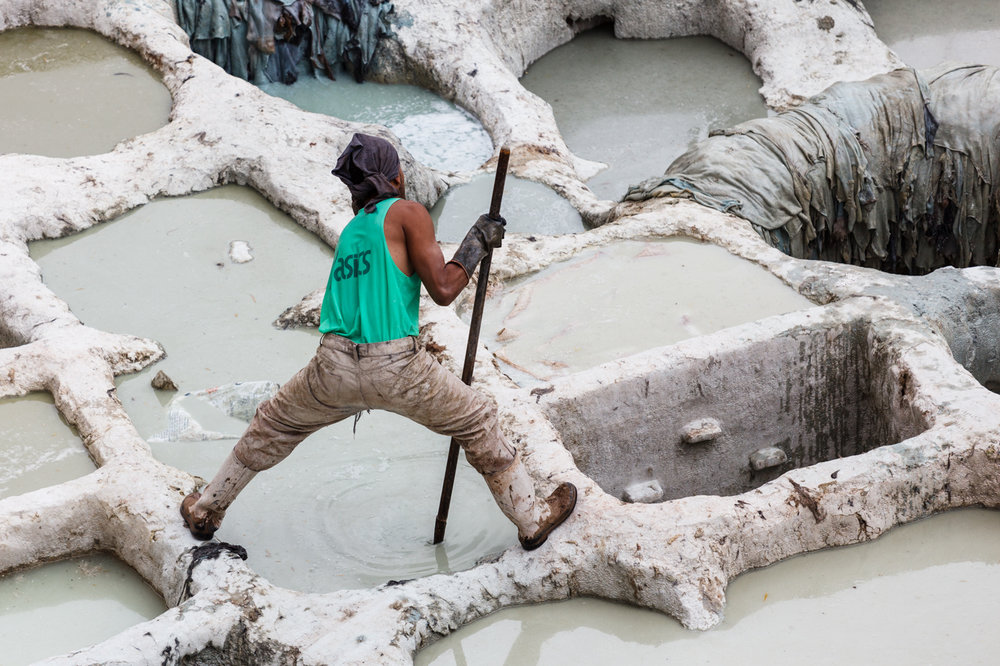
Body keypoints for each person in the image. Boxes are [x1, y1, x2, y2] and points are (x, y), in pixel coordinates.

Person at [181, 133, 577, 551]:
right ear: (396, 175)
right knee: (477, 419)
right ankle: (532, 520)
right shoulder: (408, 212)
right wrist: (475, 243)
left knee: (271, 426)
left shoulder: (353, 230)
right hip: (397, 366)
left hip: (331, 366)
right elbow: (443, 290)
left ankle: (205, 511)